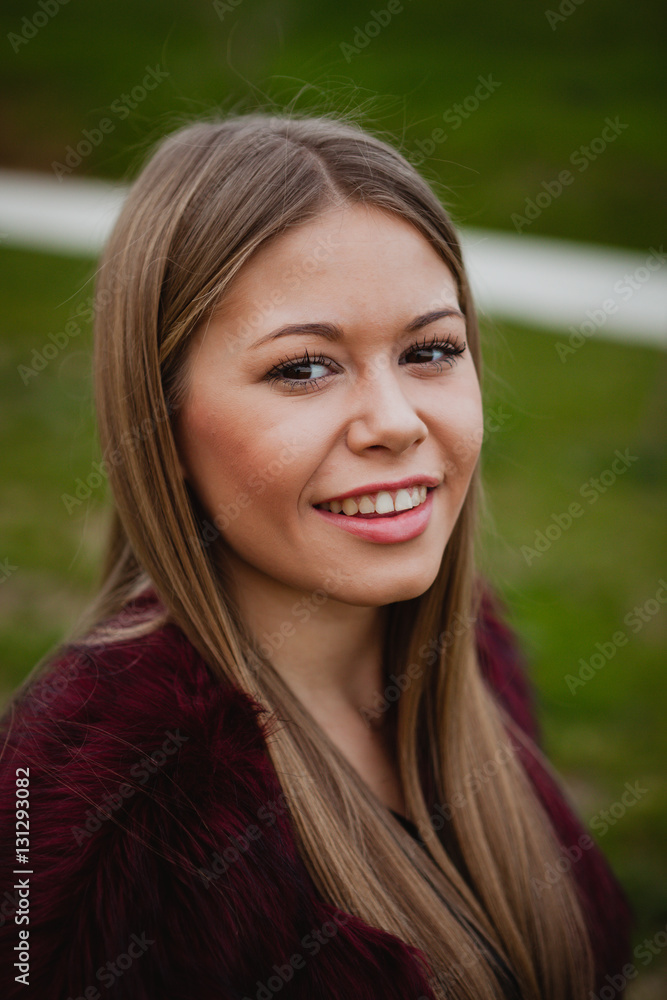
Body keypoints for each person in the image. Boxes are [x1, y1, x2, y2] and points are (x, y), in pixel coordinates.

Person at [0, 111, 632, 1000]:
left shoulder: (471, 651)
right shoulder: (92, 802)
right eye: (303, 368)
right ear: (161, 420)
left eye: (431, 351)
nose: (395, 422)